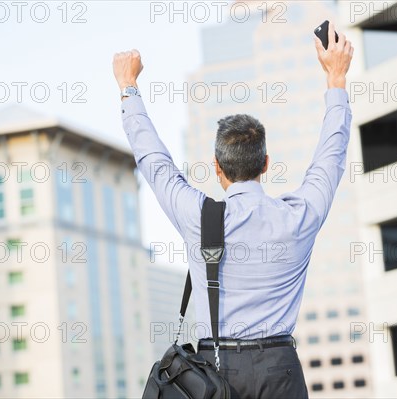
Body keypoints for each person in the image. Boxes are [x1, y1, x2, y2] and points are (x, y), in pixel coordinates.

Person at [113, 21, 354, 399]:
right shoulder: (298, 217)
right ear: (266, 163)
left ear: (217, 168)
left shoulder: (199, 217)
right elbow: (331, 157)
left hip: (216, 371)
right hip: (281, 370)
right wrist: (336, 79)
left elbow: (153, 161)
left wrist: (129, 89)